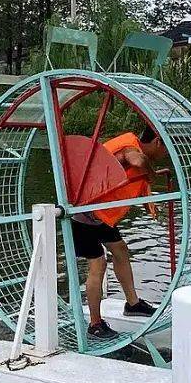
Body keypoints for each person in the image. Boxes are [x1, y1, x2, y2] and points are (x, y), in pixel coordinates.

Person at [71, 126, 166, 338]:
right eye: (165, 149)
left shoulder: (131, 143)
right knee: (98, 264)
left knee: (121, 251)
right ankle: (95, 324)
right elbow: (136, 161)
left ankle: (133, 304)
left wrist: (146, 192)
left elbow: (128, 172)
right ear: (157, 141)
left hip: (101, 214)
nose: (165, 154)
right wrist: (151, 176)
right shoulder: (130, 147)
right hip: (84, 213)